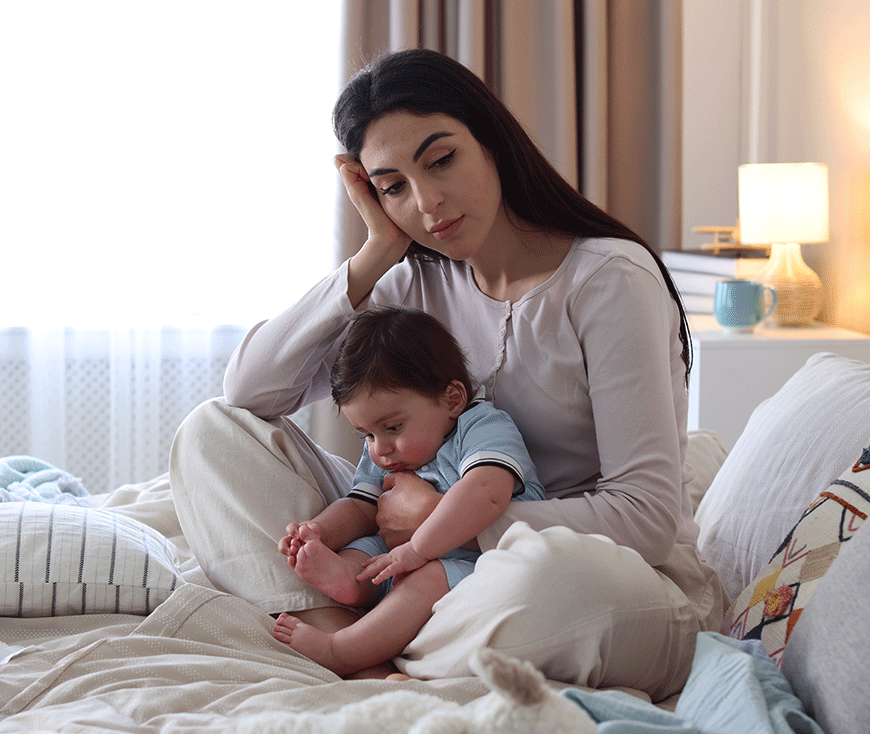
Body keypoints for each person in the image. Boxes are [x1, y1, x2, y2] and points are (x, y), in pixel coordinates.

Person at [170, 48, 725, 698]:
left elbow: (647, 518)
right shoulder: (413, 284)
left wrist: (449, 524)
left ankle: (369, 640)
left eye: (441, 161)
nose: (427, 203)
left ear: (490, 141)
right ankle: (362, 647)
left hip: (585, 567)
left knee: (551, 588)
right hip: (420, 562)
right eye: (393, 187)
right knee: (211, 434)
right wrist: (377, 251)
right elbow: (250, 390)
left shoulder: (607, 280)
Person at [272, 305, 546, 676]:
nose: (379, 449)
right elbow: (361, 506)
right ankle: (351, 583)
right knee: (363, 548)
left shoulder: (482, 426)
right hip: (404, 559)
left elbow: (487, 492)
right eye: (367, 435)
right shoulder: (388, 452)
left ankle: (341, 650)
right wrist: (319, 531)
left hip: (482, 561)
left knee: (428, 578)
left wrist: (417, 549)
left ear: (452, 400)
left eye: (393, 428)